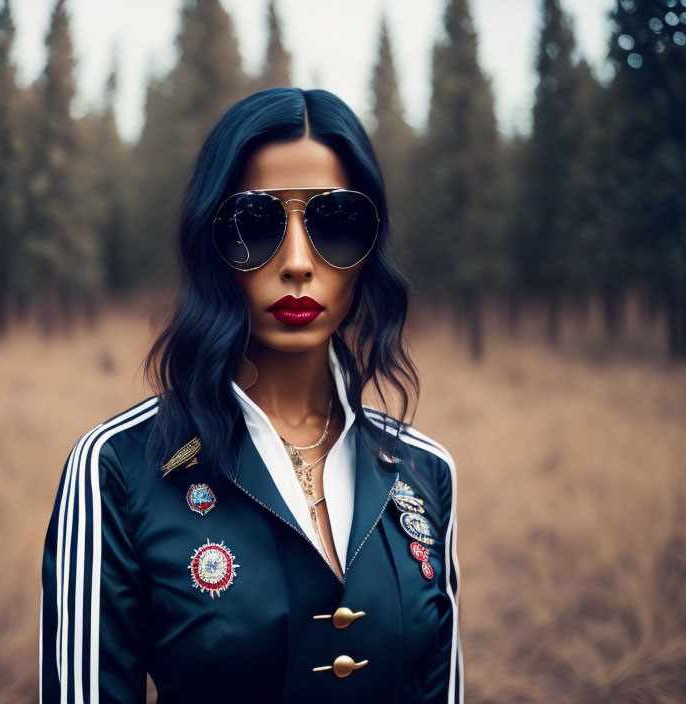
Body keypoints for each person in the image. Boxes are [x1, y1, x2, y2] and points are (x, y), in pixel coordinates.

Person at [39, 87, 463, 704]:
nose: (296, 262)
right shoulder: (117, 469)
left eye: (336, 224)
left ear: (370, 252)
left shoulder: (427, 473)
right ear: (211, 244)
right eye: (255, 223)